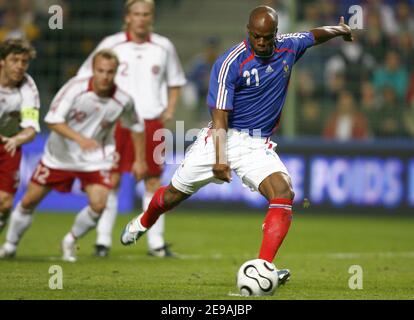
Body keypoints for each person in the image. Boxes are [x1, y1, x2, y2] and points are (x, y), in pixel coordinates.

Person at [120, 5, 354, 284]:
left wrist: (341, 30)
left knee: (284, 191)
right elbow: (219, 117)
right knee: (173, 195)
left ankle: (263, 267)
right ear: (248, 32)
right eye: (257, 37)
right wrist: (220, 159)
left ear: (276, 34)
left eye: (268, 37)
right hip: (223, 139)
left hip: (257, 146)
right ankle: (145, 220)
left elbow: (314, 35)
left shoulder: (289, 47)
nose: (263, 43)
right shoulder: (230, 62)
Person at [0, 49, 146, 261]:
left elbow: (136, 126)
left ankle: (70, 240)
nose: (105, 76)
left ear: (116, 73)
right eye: (101, 71)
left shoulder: (123, 100)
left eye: (110, 72)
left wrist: (140, 160)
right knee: (29, 201)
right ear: (93, 70)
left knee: (99, 203)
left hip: (95, 158)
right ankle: (10, 246)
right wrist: (80, 139)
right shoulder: (74, 88)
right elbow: (52, 119)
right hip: (59, 156)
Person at [77, 0, 186, 258]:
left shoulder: (163, 46)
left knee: (153, 180)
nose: (141, 18)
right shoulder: (111, 44)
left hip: (151, 122)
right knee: (111, 180)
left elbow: (176, 81)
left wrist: (169, 109)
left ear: (152, 17)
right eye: (136, 14)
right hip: (116, 123)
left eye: (146, 14)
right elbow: (85, 77)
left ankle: (156, 244)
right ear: (127, 17)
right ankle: (102, 242)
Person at [0, 38, 39, 234]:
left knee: (5, 203)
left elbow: (31, 130)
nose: (19, 66)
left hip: (8, 143)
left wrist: (16, 140)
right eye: (14, 60)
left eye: (24, 62)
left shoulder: (27, 87)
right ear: (2, 61)